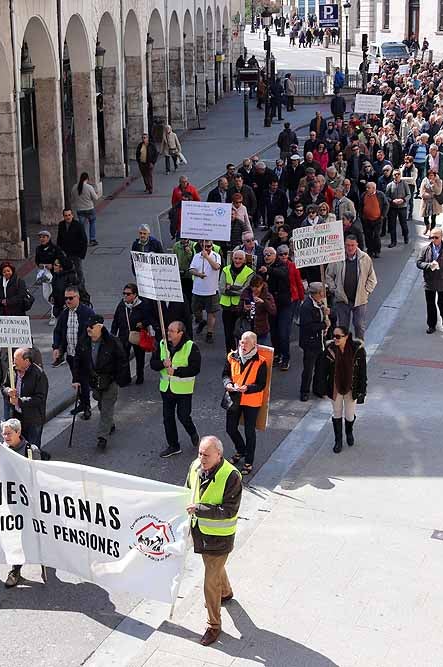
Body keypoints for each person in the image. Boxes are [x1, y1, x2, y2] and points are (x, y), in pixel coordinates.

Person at [186, 435, 242, 646]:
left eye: (207, 455)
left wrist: (199, 510)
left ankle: (214, 625)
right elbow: (187, 492)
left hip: (220, 539)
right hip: (201, 533)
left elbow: (229, 510)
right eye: (200, 453)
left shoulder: (231, 476)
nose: (202, 458)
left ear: (219, 454)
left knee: (210, 581)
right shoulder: (195, 466)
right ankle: (226, 593)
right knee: (215, 570)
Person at [0, 418, 42, 588]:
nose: (5, 436)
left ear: (18, 432)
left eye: (9, 433)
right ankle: (16, 568)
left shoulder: (32, 450)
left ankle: (17, 569)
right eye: (3, 433)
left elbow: (39, 475)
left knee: (25, 535)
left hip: (25, 502)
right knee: (13, 535)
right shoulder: (0, 449)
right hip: (7, 500)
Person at [313, 325, 367, 453]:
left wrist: (362, 391)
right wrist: (321, 389)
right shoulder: (329, 350)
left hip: (351, 387)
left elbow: (363, 373)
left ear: (346, 337)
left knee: (349, 415)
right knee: (337, 413)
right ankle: (338, 440)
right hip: (335, 387)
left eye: (338, 337)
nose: (335, 339)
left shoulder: (357, 350)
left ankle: (349, 432)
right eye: (334, 336)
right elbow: (321, 371)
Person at [152, 320, 202, 458]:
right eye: (168, 330)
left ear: (181, 333)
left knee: (183, 416)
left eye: (172, 331)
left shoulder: (191, 346)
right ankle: (173, 445)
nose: (168, 333)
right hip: (166, 389)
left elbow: (195, 369)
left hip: (183, 390)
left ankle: (192, 432)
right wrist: (163, 363)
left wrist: (176, 371)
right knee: (167, 418)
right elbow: (153, 364)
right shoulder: (162, 344)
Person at [221, 331, 268, 476]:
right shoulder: (232, 356)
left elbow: (261, 384)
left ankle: (249, 461)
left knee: (249, 432)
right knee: (230, 428)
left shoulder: (261, 361)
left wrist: (247, 388)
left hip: (251, 401)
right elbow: (225, 374)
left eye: (247, 342)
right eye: (242, 342)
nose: (243, 345)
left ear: (254, 344)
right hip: (235, 397)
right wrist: (228, 383)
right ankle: (241, 450)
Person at [83, 315, 128, 450]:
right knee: (101, 403)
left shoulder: (112, 341)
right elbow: (80, 360)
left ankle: (102, 437)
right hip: (95, 382)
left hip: (110, 381)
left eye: (91, 327)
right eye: (87, 327)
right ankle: (110, 423)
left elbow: (122, 359)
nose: (88, 329)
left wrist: (119, 378)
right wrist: (77, 379)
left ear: (100, 327)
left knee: (106, 407)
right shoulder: (85, 341)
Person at [52, 285, 95, 417]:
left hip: (84, 354)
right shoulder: (64, 314)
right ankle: (82, 402)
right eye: (66, 298)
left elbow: (95, 331)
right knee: (76, 379)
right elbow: (58, 332)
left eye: (71, 298)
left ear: (78, 297)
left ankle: (87, 406)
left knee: (83, 380)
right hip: (71, 354)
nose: (68, 301)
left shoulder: (87, 313)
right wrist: (57, 348)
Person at [325, 235, 376, 341]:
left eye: (352, 245)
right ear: (344, 245)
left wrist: (366, 291)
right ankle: (344, 350)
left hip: (360, 300)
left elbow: (372, 278)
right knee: (343, 328)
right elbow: (328, 275)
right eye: (347, 245)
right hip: (343, 300)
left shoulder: (365, 258)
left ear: (357, 245)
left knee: (359, 326)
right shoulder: (337, 258)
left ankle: (359, 350)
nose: (350, 248)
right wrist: (334, 289)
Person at [1, 347, 49, 451]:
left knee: (32, 449)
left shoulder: (38, 374)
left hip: (33, 419)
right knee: (17, 448)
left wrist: (20, 401)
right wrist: (8, 391)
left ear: (26, 361)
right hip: (16, 417)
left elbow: (40, 398)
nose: (13, 362)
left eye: (16, 360)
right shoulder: (12, 370)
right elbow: (4, 387)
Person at [111, 283, 155, 385]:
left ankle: (140, 376)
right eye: (124, 294)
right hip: (124, 335)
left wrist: (143, 323)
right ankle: (125, 378)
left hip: (137, 335)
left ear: (135, 295)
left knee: (140, 357)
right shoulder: (122, 305)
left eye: (128, 294)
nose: (125, 296)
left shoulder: (143, 304)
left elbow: (150, 318)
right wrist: (113, 334)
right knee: (123, 357)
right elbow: (116, 320)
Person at [416, 228, 443, 334]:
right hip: (429, 282)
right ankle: (431, 325)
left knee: (442, 302)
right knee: (430, 304)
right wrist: (428, 265)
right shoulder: (426, 249)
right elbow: (419, 263)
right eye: (431, 237)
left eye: (436, 237)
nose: (433, 239)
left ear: (441, 237)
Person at [298, 282, 330, 402]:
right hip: (310, 343)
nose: (324, 294)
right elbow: (308, 326)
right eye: (322, 292)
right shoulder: (306, 306)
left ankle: (319, 389)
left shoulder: (321, 303)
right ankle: (304, 391)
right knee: (308, 369)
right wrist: (323, 325)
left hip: (321, 341)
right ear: (316, 293)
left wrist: (327, 314)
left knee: (321, 367)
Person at [219, 248, 254, 354]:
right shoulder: (225, 270)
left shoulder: (250, 272)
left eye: (240, 259)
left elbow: (246, 290)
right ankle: (231, 355)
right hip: (227, 307)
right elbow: (222, 289)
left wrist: (231, 288)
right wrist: (237, 289)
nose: (237, 261)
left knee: (240, 333)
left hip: (240, 307)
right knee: (228, 334)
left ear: (244, 260)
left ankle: (242, 354)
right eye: (235, 258)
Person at [57, 208, 88, 287]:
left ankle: (81, 287)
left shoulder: (78, 225)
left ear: (72, 215)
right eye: (66, 215)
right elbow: (59, 239)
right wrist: (59, 251)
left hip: (76, 253)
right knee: (66, 270)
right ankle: (68, 285)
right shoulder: (61, 225)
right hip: (65, 253)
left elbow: (84, 240)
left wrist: (81, 254)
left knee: (79, 270)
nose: (68, 217)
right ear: (63, 216)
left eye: (69, 215)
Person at [359, 181, 388, 259]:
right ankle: (370, 251)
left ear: (374, 188)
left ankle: (377, 251)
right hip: (366, 220)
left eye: (368, 188)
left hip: (377, 220)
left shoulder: (380, 195)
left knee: (376, 235)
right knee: (368, 236)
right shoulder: (364, 195)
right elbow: (360, 206)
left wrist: (382, 216)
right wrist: (362, 216)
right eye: (367, 187)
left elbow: (386, 205)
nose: (367, 189)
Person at [71, 172, 102, 246]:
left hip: (80, 209)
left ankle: (82, 240)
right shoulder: (89, 187)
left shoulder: (74, 187)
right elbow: (96, 198)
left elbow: (72, 198)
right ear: (87, 179)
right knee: (92, 223)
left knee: (82, 226)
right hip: (89, 208)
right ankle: (92, 239)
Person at [384, 169, 410, 248]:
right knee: (392, 225)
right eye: (395, 174)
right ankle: (393, 241)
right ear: (393, 176)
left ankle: (406, 237)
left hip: (402, 207)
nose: (397, 176)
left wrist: (403, 200)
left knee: (403, 224)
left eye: (398, 174)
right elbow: (386, 196)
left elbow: (409, 194)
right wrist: (392, 200)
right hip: (393, 208)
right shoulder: (390, 185)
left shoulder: (404, 184)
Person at [419, 170, 443, 237]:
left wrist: (434, 184)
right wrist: (430, 195)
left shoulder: (438, 181)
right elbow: (422, 192)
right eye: (429, 175)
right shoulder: (424, 180)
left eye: (432, 175)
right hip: (426, 202)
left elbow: (438, 192)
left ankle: (431, 231)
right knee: (425, 218)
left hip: (434, 203)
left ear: (434, 175)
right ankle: (427, 226)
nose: (430, 177)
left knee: (433, 218)